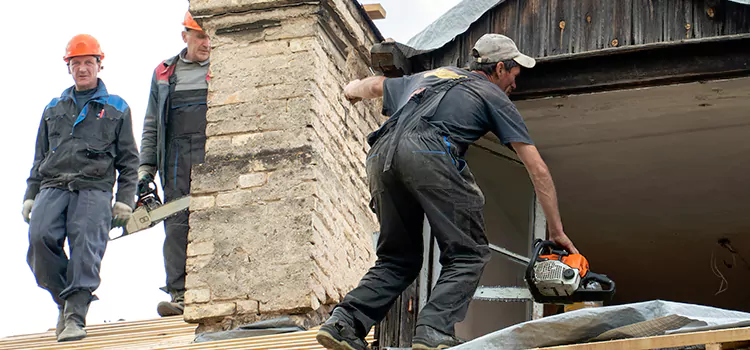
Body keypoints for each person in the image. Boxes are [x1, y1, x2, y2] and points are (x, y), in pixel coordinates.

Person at [315, 34, 580, 350]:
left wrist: (350, 90)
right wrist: (556, 230)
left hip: (379, 155)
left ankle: (343, 323)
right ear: (498, 68)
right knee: (469, 252)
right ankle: (433, 330)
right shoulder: (492, 95)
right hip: (430, 153)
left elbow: (373, 86)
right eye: (514, 73)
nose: (515, 83)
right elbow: (537, 169)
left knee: (397, 259)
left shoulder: (429, 77)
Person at [22, 34, 139, 342]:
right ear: (68, 68)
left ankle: (75, 315)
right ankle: (66, 300)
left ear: (100, 66)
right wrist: (30, 195)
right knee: (39, 238)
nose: (83, 68)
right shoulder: (54, 107)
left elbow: (129, 161)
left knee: (86, 246)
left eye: (89, 62)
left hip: (94, 188)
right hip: (53, 185)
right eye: (76, 63)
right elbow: (40, 156)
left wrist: (125, 200)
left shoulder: (116, 107)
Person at [138, 11, 211, 317]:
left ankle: (213, 293)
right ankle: (180, 294)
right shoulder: (165, 73)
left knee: (214, 221)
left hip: (212, 155)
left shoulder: (226, 69)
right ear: (185, 36)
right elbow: (152, 125)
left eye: (210, 37)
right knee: (177, 224)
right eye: (200, 36)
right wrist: (145, 171)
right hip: (177, 158)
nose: (206, 43)